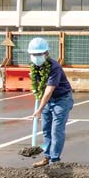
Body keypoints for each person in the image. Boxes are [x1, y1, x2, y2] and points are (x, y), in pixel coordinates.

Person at [29, 37, 74, 168]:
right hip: (47, 100)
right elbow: (39, 87)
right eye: (34, 54)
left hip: (61, 99)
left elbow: (49, 90)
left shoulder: (55, 67)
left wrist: (39, 109)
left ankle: (55, 160)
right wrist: (38, 95)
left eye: (39, 54)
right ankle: (47, 157)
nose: (36, 57)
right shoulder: (35, 67)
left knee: (56, 130)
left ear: (46, 53)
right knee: (46, 130)